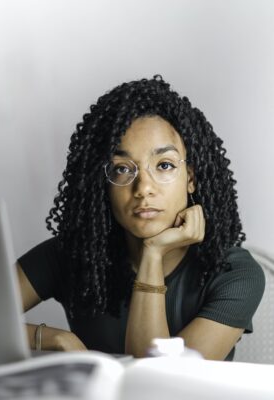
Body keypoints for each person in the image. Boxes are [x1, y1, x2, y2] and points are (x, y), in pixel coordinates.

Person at [17, 75, 265, 360]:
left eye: (164, 165)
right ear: (104, 184)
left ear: (191, 178)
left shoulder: (234, 273)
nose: (143, 188)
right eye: (122, 169)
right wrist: (55, 338)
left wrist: (153, 253)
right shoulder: (73, 254)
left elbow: (160, 382)